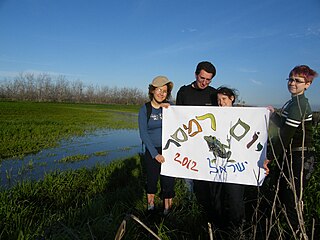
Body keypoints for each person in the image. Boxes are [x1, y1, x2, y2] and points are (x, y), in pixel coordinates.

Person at [263, 65, 318, 235]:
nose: (293, 83)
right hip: (294, 156)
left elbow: (285, 136)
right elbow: (285, 126)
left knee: (291, 202)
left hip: (299, 158)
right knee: (285, 199)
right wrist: (274, 115)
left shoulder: (299, 104)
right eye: (291, 79)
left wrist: (268, 158)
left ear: (307, 84)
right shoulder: (293, 102)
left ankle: (296, 233)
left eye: (298, 81)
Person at [176, 61, 218, 217]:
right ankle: (188, 206)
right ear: (195, 74)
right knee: (188, 176)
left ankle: (206, 206)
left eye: (208, 80)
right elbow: (176, 116)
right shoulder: (184, 92)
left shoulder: (214, 94)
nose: (204, 82)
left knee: (206, 176)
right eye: (202, 78)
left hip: (208, 145)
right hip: (188, 144)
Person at [209, 86, 245, 236]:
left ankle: (237, 230)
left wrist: (268, 112)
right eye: (218, 100)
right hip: (216, 166)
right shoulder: (213, 115)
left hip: (236, 167)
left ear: (232, 99)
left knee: (235, 198)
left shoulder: (243, 115)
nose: (221, 103)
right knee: (217, 198)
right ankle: (219, 229)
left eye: (224, 99)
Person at [138, 75, 175, 215]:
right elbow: (143, 134)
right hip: (152, 150)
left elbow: (182, 117)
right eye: (158, 90)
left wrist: (170, 108)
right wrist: (155, 154)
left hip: (169, 149)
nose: (161, 93)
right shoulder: (145, 109)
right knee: (152, 179)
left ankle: (167, 209)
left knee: (168, 180)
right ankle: (151, 206)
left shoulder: (170, 107)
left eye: (164, 91)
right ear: (152, 90)